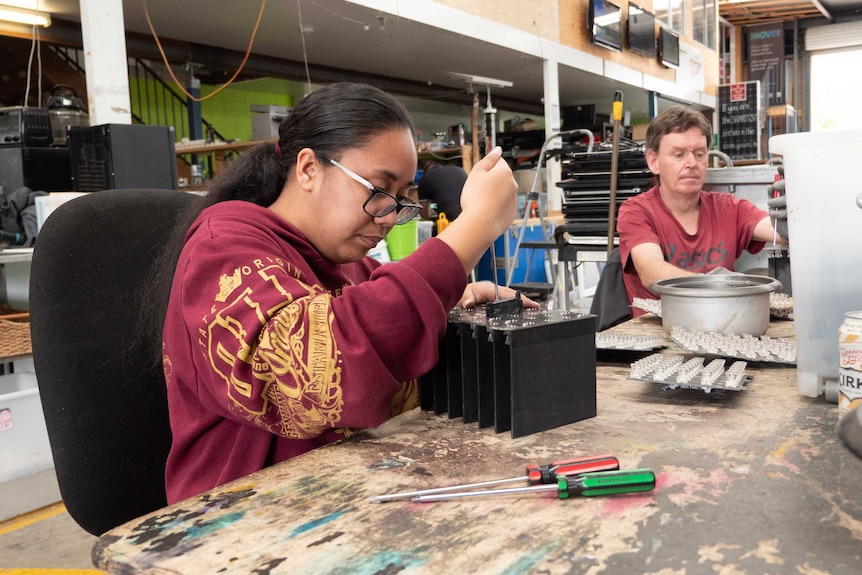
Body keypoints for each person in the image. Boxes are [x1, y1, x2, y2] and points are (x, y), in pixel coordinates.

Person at [145, 82, 533, 503]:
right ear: (308, 168)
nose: (387, 218)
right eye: (378, 191)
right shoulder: (222, 249)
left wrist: (454, 300)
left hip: (340, 495)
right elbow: (323, 371)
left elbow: (382, 320)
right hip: (239, 518)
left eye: (401, 200)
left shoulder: (347, 264)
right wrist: (473, 228)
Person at [616, 104, 783, 315]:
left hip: (722, 325)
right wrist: (716, 288)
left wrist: (792, 216)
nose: (691, 163)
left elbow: (780, 232)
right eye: (678, 155)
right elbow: (652, 271)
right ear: (653, 161)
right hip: (660, 333)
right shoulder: (637, 212)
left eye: (699, 154)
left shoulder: (729, 208)